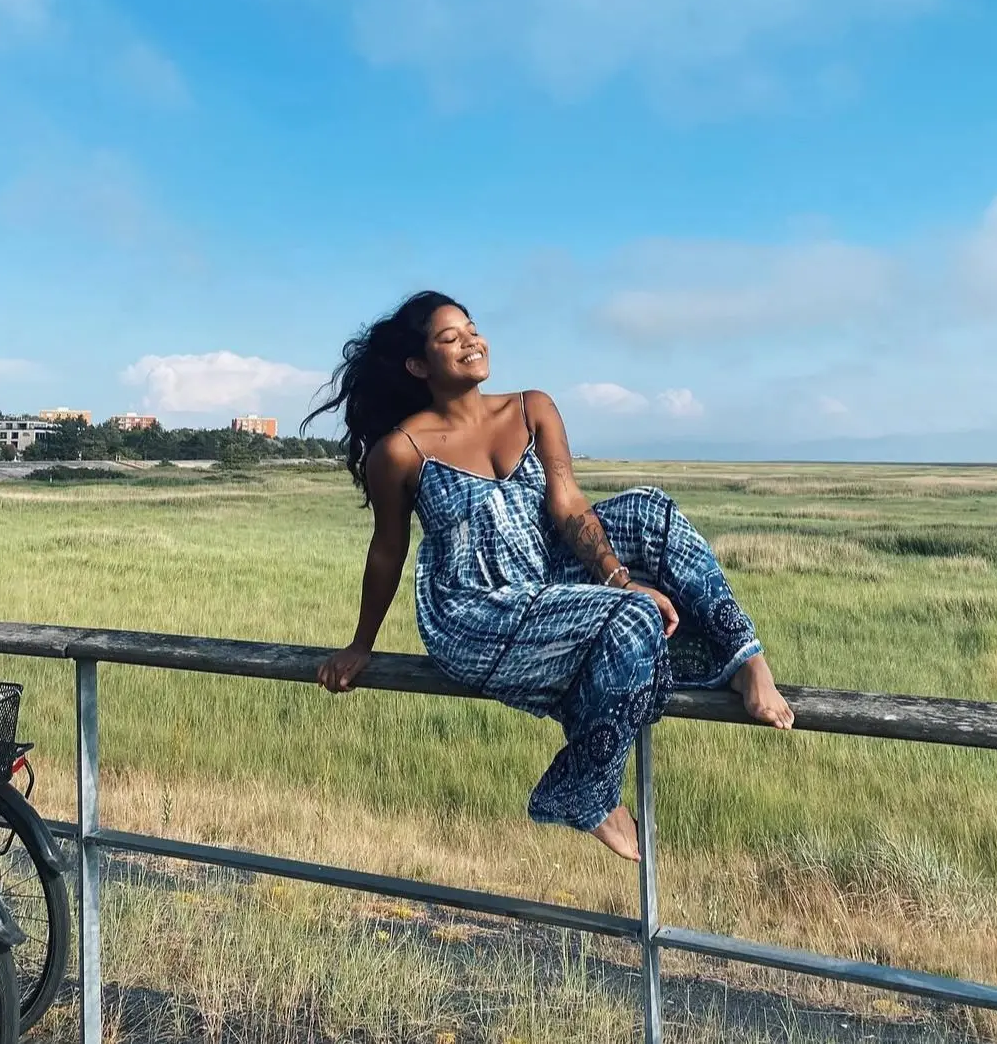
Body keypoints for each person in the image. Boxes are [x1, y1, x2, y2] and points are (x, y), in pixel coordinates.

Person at [305, 291, 794, 862]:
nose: (470, 341)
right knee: (632, 619)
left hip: (546, 572)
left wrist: (616, 577)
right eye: (449, 338)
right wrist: (361, 646)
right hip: (476, 609)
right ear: (419, 365)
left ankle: (745, 661)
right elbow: (387, 550)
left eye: (472, 329)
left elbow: (567, 503)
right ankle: (585, 787)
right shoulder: (399, 452)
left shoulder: (531, 407)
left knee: (650, 510)